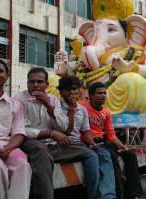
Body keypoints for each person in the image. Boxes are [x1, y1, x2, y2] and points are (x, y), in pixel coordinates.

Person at [15, 68, 99, 199]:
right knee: (40, 150)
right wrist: (50, 133)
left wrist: (48, 105)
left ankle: (94, 196)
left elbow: (63, 127)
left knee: (90, 154)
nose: (36, 85)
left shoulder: (53, 100)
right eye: (32, 82)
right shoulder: (19, 100)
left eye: (39, 82)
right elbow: (21, 129)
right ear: (27, 83)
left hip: (53, 145)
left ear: (46, 85)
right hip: (30, 143)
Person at [80, 82, 142, 199]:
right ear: (91, 96)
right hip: (89, 142)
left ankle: (134, 194)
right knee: (111, 156)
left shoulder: (106, 112)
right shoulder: (82, 107)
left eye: (104, 93)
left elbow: (111, 135)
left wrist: (123, 146)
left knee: (130, 155)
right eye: (99, 93)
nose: (103, 96)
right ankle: (117, 194)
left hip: (103, 141)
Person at [54, 75, 105, 199]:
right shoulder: (56, 107)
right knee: (91, 156)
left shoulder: (82, 109)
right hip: (62, 146)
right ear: (61, 92)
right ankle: (92, 196)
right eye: (68, 89)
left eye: (75, 89)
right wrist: (71, 112)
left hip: (78, 146)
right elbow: (65, 131)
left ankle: (107, 193)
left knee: (103, 153)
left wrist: (92, 143)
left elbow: (86, 131)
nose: (72, 92)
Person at [0, 57, 31, 199]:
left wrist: (9, 148)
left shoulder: (15, 104)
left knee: (23, 166)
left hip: (6, 146)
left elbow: (19, 132)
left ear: (7, 76)